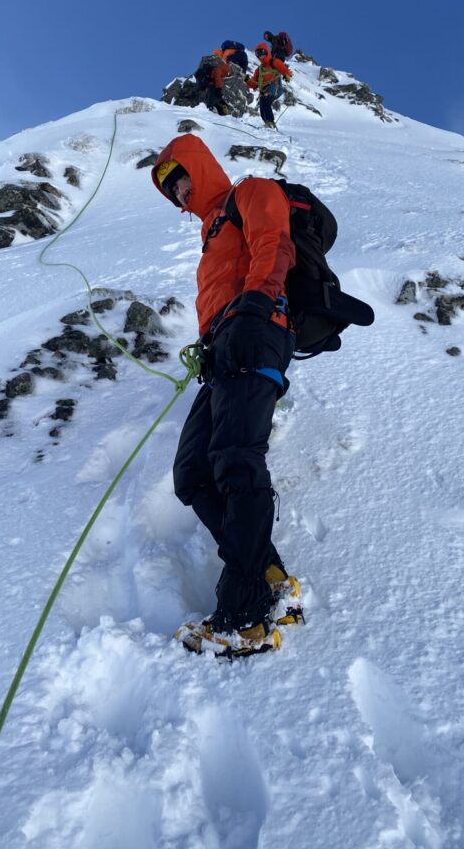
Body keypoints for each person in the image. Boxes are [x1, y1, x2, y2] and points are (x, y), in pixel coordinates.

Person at [152, 135, 302, 658]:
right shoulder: (210, 231)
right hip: (221, 349)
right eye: (171, 188)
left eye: (182, 177)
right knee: (192, 474)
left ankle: (245, 617)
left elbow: (274, 242)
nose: (179, 191)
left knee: (237, 461)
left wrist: (257, 303)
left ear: (200, 164)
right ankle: (267, 573)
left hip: (256, 327)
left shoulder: (250, 192)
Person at [247, 43, 293, 129]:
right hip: (263, 91)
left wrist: (286, 75)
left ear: (267, 52)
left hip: (274, 87)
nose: (261, 56)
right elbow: (253, 83)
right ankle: (268, 124)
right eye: (258, 54)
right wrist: (246, 79)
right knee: (262, 108)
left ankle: (270, 122)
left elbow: (283, 68)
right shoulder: (259, 69)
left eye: (262, 52)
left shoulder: (274, 62)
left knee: (265, 102)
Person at [194, 49, 231, 116]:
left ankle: (217, 110)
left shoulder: (217, 69)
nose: (227, 74)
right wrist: (219, 89)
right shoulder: (218, 70)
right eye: (227, 72)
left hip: (208, 85)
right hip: (211, 86)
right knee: (214, 96)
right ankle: (211, 108)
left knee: (214, 98)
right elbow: (217, 79)